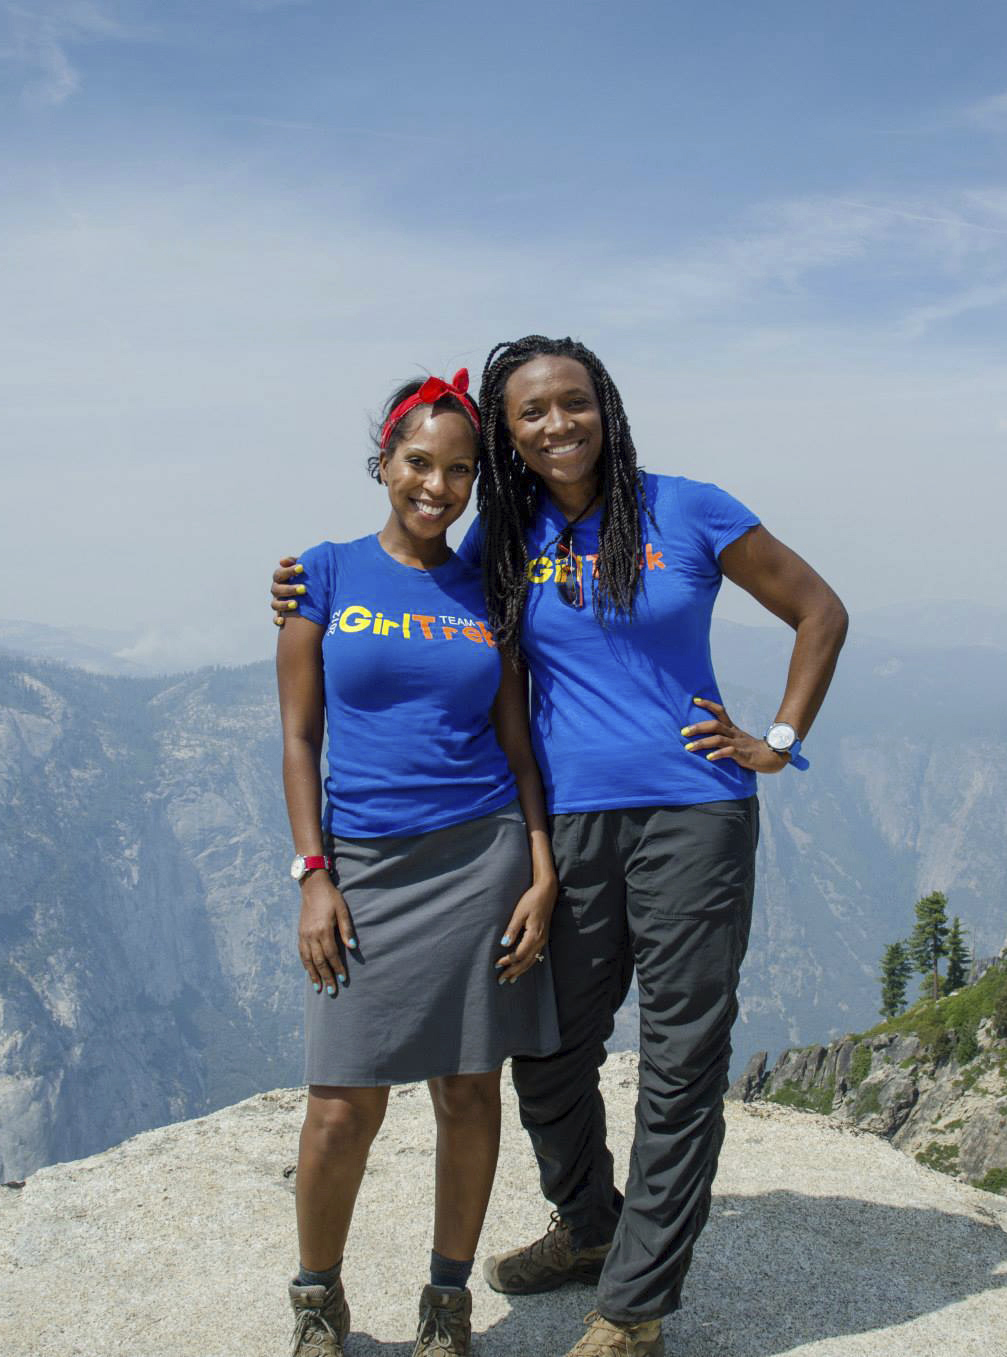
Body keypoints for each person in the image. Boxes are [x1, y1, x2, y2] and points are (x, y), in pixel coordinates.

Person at [273, 336, 847, 1357]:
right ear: (507, 434)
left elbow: (817, 609)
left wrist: (777, 741)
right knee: (542, 1048)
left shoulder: (691, 507)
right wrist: (303, 590)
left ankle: (633, 1307)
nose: (555, 425)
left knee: (677, 1060)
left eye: (571, 403)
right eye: (530, 413)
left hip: (692, 816)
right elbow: (410, 604)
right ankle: (589, 1226)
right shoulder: (506, 533)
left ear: (604, 406)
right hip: (565, 824)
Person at [276, 368, 560, 1357]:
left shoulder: (489, 588)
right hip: (358, 867)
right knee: (340, 1104)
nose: (434, 487)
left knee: (468, 1090)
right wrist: (314, 873)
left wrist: (538, 865)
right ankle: (317, 1300)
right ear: (383, 464)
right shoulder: (323, 572)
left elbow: (517, 743)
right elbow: (299, 738)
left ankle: (446, 1303)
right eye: (416, 464)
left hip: (479, 858)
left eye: (455, 471)